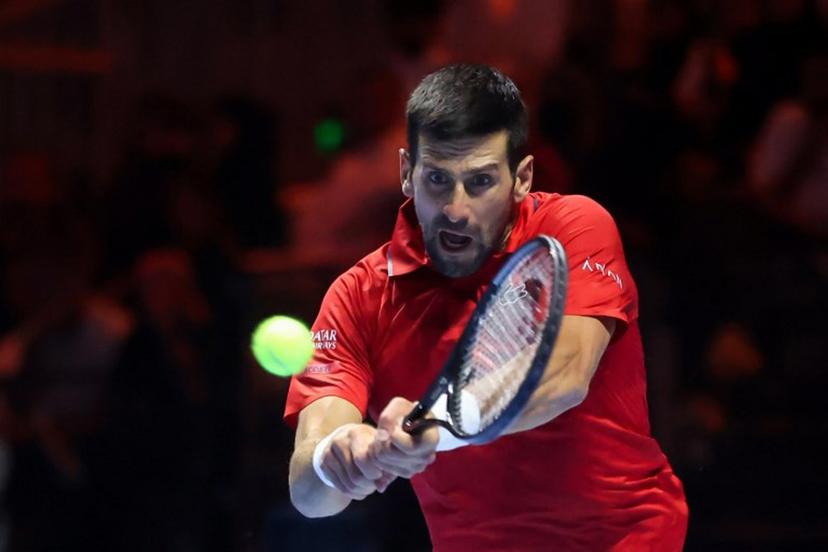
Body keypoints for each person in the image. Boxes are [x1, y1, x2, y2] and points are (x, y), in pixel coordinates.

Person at [284, 64, 688, 550]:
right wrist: (338, 457)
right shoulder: (356, 297)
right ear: (406, 173)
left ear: (522, 178)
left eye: (479, 182)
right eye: (437, 178)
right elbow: (308, 491)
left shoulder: (575, 227)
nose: (456, 208)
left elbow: (565, 374)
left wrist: (435, 425)